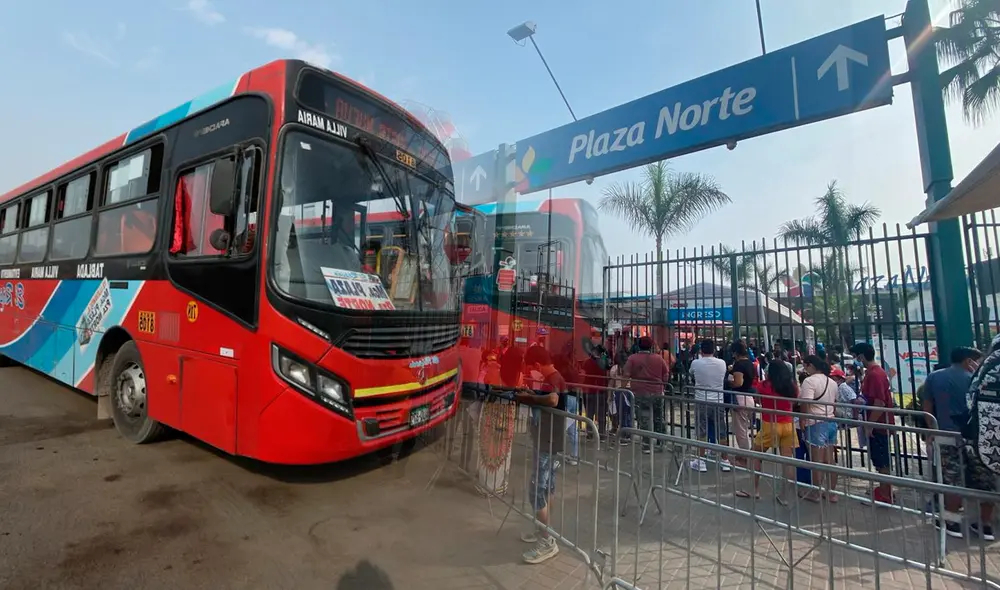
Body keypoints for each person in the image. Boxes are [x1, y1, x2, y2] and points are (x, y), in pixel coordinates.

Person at [923, 346, 983, 538]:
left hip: (945, 433)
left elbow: (927, 406)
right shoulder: (976, 378)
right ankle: (986, 524)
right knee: (983, 478)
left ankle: (952, 522)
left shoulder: (935, 377)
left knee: (951, 479)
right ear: (968, 361)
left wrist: (932, 429)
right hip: (975, 436)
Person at [516, 346, 568, 564]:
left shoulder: (554, 378)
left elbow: (553, 400)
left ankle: (547, 541)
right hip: (549, 440)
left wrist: (530, 399)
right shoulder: (553, 378)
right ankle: (544, 529)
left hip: (548, 441)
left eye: (532, 368)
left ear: (537, 365)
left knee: (536, 489)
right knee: (548, 487)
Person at [736, 359, 800, 503]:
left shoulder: (764, 385)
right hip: (788, 425)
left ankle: (754, 489)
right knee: (788, 461)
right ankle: (785, 496)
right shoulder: (792, 386)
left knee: (755, 455)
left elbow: (757, 399)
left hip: (769, 423)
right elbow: (796, 401)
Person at [851, 342, 894, 504]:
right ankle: (884, 490)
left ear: (861, 357)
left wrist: (870, 424)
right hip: (878, 423)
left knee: (882, 460)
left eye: (856, 357)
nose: (856, 360)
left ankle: (885, 495)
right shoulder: (873, 372)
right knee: (879, 459)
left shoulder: (876, 374)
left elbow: (879, 403)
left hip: (879, 424)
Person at [798, 355, 839, 503]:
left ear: (810, 365)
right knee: (829, 460)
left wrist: (802, 420)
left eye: (805, 365)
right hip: (831, 422)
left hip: (815, 423)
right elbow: (834, 402)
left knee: (816, 461)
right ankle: (832, 492)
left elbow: (805, 403)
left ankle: (815, 492)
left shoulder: (809, 381)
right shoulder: (832, 382)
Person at [623, 336, 670, 454]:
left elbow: (626, 374)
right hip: (657, 392)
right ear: (651, 346)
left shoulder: (632, 358)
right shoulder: (659, 359)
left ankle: (646, 444)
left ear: (638, 345)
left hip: (639, 392)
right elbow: (666, 374)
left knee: (643, 418)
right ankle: (661, 442)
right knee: (659, 417)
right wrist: (662, 385)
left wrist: (623, 388)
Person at [689, 339, 730, 472]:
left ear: (701, 350)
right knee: (721, 431)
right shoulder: (722, 363)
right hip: (718, 401)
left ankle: (701, 461)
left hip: (702, 401)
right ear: (714, 350)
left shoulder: (696, 363)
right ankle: (725, 460)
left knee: (702, 431)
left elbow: (691, 374)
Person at [727, 341, 757, 457]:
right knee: (746, 428)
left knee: (741, 431)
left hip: (740, 398)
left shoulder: (739, 365)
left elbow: (738, 383)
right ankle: (747, 452)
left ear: (735, 352)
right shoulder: (750, 363)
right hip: (749, 398)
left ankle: (744, 456)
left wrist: (729, 382)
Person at [582, 345, 610, 441]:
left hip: (589, 390)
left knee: (589, 413)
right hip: (601, 390)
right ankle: (601, 434)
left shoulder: (587, 362)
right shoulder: (603, 363)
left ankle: (589, 433)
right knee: (601, 414)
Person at [608, 351, 633, 445]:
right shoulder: (630, 367)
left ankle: (623, 435)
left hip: (619, 392)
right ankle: (629, 434)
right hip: (630, 392)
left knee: (621, 415)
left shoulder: (615, 369)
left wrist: (609, 395)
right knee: (629, 414)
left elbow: (611, 382)